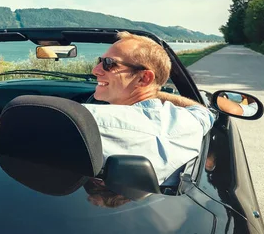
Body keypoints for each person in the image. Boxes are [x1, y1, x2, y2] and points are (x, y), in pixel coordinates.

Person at [82, 31, 215, 185]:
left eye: (109, 63)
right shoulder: (188, 121)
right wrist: (154, 92)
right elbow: (204, 112)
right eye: (100, 61)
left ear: (144, 78)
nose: (95, 70)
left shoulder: (90, 120)